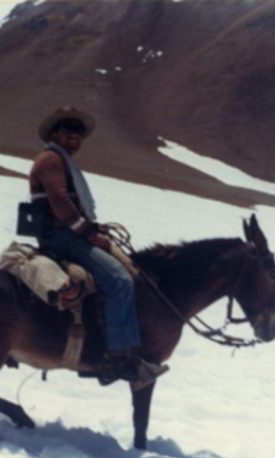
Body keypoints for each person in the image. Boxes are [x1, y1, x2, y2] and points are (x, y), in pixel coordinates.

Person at [29, 107, 165, 386]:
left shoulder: (61, 161)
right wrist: (91, 235)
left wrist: (94, 227)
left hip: (67, 232)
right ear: (55, 133)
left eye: (79, 133)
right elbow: (61, 204)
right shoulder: (51, 159)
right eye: (68, 130)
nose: (75, 137)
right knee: (119, 280)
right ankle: (118, 359)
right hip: (60, 237)